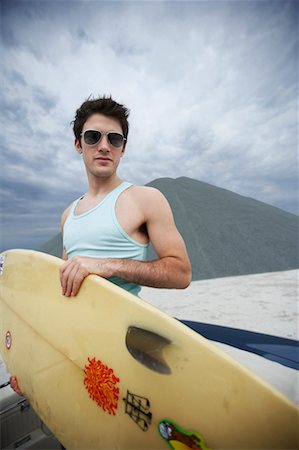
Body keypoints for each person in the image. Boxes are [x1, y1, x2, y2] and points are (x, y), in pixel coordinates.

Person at [10, 95, 192, 395]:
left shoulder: (145, 199)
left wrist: (105, 265)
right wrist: (30, 367)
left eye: (115, 139)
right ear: (78, 144)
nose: (104, 146)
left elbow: (181, 273)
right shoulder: (68, 215)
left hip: (124, 351)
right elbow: (64, 293)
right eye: (93, 137)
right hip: (76, 349)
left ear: (123, 148)